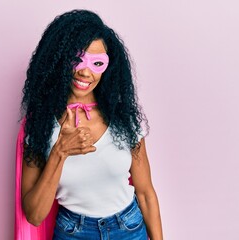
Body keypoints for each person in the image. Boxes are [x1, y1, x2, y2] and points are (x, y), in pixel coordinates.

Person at [20, 9, 163, 240]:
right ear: (58, 59)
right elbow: (34, 215)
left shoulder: (123, 119)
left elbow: (146, 194)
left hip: (128, 228)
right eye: (76, 59)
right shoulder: (40, 126)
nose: (85, 72)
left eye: (97, 63)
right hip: (73, 232)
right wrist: (60, 152)